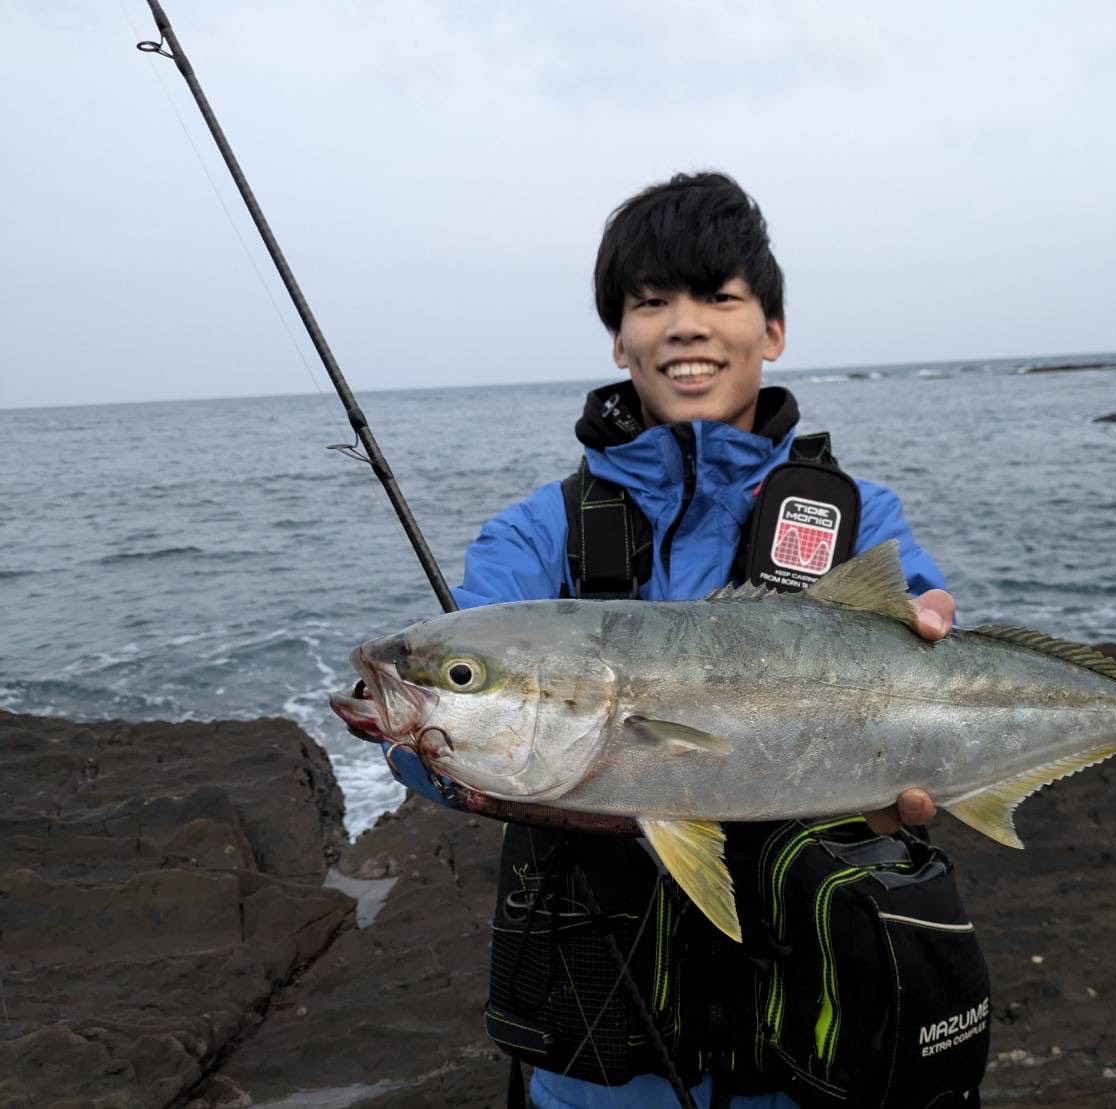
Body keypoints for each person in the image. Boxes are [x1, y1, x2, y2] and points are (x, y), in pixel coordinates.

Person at [384, 171, 975, 1109]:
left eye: (718, 298)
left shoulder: (854, 517)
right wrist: (421, 739)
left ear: (771, 330)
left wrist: (933, 658)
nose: (685, 327)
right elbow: (441, 726)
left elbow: (922, 673)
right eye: (651, 303)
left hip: (817, 1045)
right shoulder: (537, 535)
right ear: (619, 339)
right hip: (602, 1065)